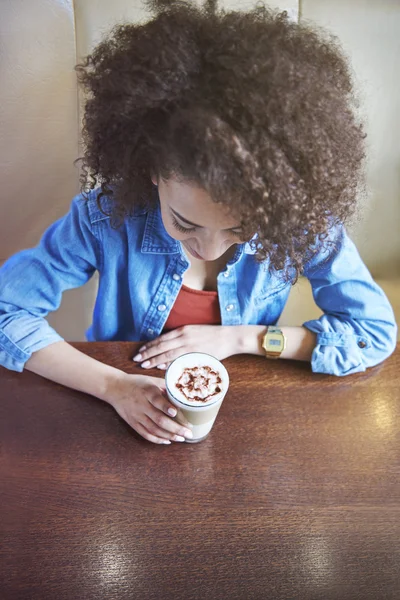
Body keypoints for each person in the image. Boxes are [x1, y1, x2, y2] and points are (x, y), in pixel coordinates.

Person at [0, 0, 397, 444]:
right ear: (151, 170)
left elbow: (373, 333)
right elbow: (6, 311)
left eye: (240, 230)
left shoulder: (301, 223)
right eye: (184, 223)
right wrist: (113, 386)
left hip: (244, 412)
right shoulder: (104, 217)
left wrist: (242, 340)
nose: (208, 249)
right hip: (119, 410)